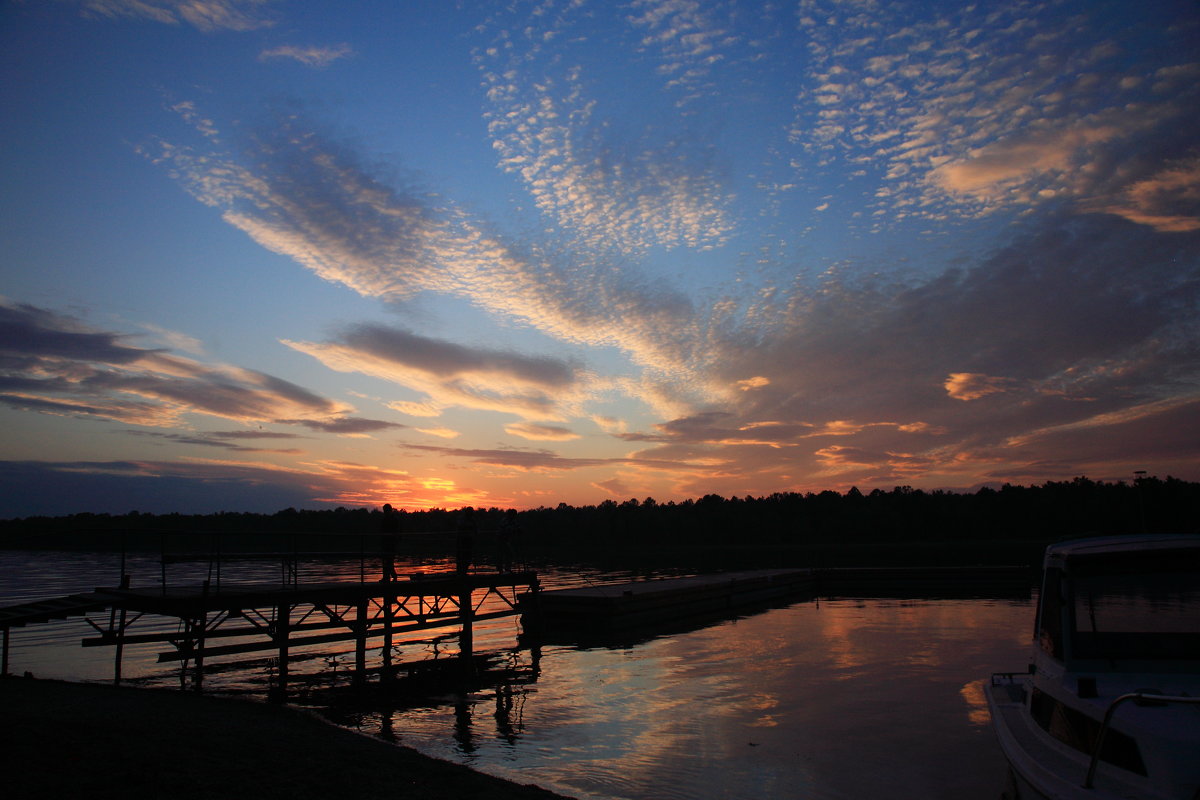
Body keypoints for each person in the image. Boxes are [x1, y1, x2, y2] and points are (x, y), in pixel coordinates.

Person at [380, 503, 401, 581]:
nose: (385, 512)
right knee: (386, 561)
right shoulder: (386, 519)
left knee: (388, 561)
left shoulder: (393, 519)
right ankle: (388, 577)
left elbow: (396, 531)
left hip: (391, 544)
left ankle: (391, 576)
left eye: (385, 510)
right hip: (386, 543)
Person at [496, 508, 519, 573]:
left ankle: (507, 568)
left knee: (509, 554)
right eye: (514, 515)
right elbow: (505, 530)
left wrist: (519, 530)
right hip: (501, 539)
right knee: (502, 554)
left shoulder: (513, 521)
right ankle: (501, 569)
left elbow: (517, 527)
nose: (514, 516)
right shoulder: (505, 521)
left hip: (507, 540)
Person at [455, 507, 476, 575]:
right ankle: (460, 572)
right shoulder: (462, 519)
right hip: (462, 540)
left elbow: (476, 528)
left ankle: (464, 572)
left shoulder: (472, 520)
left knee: (468, 558)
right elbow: (460, 526)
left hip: (469, 540)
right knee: (461, 557)